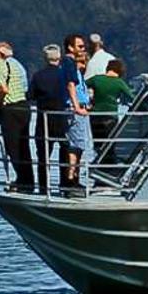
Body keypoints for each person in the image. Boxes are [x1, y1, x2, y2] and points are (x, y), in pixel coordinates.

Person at [0, 42, 33, 191]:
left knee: (12, 147)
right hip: (24, 106)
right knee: (24, 146)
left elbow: (3, 90)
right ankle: (28, 180)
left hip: (10, 109)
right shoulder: (15, 65)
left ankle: (21, 180)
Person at [27, 44, 68, 194]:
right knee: (65, 152)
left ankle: (44, 187)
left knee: (43, 156)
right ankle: (65, 184)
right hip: (62, 118)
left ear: (45, 58)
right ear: (59, 57)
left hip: (44, 119)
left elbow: (30, 95)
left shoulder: (38, 76)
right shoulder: (64, 75)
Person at [61, 33, 94, 195]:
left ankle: (73, 178)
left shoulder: (73, 64)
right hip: (74, 108)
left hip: (80, 106)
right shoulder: (69, 62)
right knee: (77, 144)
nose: (83, 49)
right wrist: (76, 107)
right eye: (80, 46)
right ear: (70, 47)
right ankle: (71, 180)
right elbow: (70, 85)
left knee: (79, 144)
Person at [87, 58, 134, 145]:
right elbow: (132, 97)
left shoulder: (96, 79)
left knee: (98, 144)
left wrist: (87, 101)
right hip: (111, 117)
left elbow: (81, 85)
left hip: (95, 116)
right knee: (109, 146)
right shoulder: (119, 82)